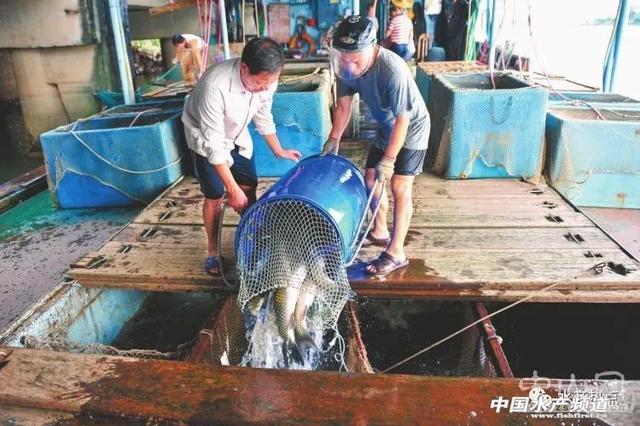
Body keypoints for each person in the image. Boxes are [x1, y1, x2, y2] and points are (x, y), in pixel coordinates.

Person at [182, 38, 302, 276]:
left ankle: (253, 238)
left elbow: (263, 114)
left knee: (248, 187)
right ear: (244, 68)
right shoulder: (214, 86)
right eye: (260, 83)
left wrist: (278, 150)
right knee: (215, 196)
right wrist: (231, 188)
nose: (265, 88)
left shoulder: (268, 80)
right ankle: (213, 252)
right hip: (206, 141)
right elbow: (214, 145)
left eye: (270, 83)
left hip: (238, 136)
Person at [322, 16, 430, 277]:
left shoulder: (392, 69)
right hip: (385, 128)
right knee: (370, 179)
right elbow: (344, 106)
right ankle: (380, 230)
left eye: (355, 59)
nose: (349, 64)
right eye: (344, 58)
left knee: (399, 186)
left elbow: (404, 118)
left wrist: (390, 160)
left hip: (411, 128)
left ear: (371, 48)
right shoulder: (347, 66)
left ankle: (396, 253)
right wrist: (334, 138)